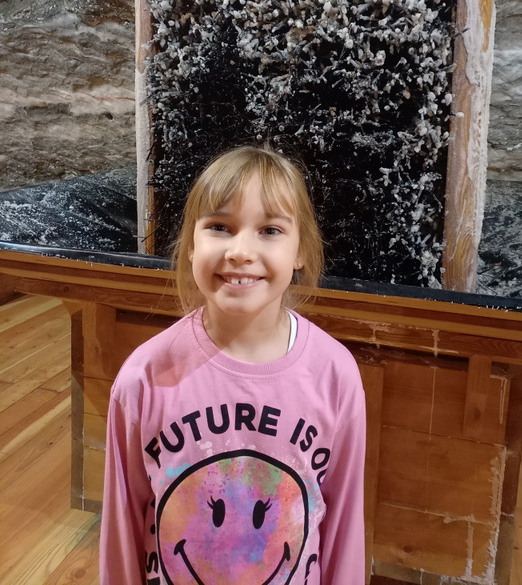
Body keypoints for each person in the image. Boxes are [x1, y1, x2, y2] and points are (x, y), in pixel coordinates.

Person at [99, 146, 366, 585]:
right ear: (191, 245)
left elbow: (343, 526)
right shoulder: (142, 379)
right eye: (220, 227)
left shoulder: (336, 376)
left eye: (270, 230)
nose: (241, 251)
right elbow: (122, 526)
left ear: (300, 250)